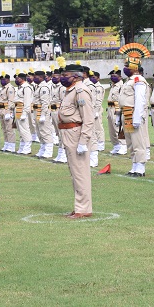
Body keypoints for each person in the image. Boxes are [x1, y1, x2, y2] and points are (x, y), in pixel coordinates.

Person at [58, 64, 96, 218]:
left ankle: (83, 209)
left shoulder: (81, 91)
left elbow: (88, 118)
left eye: (65, 75)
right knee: (75, 172)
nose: (62, 78)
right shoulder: (70, 91)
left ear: (76, 76)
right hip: (68, 133)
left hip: (76, 134)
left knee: (80, 173)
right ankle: (79, 206)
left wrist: (83, 141)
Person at [117, 43, 151, 177]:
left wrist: (137, 118)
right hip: (126, 114)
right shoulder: (129, 80)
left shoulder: (138, 80)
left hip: (133, 114)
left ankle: (140, 167)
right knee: (130, 142)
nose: (125, 68)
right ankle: (134, 166)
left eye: (127, 66)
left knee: (138, 141)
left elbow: (140, 100)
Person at [33, 70, 56, 158]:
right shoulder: (38, 86)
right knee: (39, 131)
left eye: (36, 77)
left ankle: (49, 150)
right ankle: (43, 149)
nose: (34, 78)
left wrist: (43, 114)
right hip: (36, 110)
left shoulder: (44, 87)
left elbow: (45, 102)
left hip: (42, 111)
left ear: (41, 77)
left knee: (45, 131)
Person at [106, 67, 126, 155]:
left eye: (115, 76)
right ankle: (116, 145)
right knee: (112, 129)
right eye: (112, 76)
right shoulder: (113, 86)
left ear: (120, 77)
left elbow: (121, 99)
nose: (112, 77)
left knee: (118, 128)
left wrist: (119, 110)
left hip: (116, 108)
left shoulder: (121, 86)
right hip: (110, 108)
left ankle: (123, 146)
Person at [15, 72, 35, 154]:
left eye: (18, 78)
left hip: (23, 109)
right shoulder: (20, 87)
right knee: (20, 129)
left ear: (22, 78)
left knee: (25, 129)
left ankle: (27, 148)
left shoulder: (26, 87)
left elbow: (27, 101)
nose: (16, 80)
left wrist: (25, 113)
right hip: (17, 109)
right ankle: (22, 146)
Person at [0, 73, 18, 153]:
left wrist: (8, 112)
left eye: (4, 79)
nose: (2, 81)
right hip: (1, 109)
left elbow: (11, 100)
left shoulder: (10, 88)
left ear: (8, 80)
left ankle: (11, 145)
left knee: (9, 129)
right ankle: (6, 143)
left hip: (7, 110)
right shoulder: (3, 88)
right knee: (4, 128)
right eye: (1, 79)